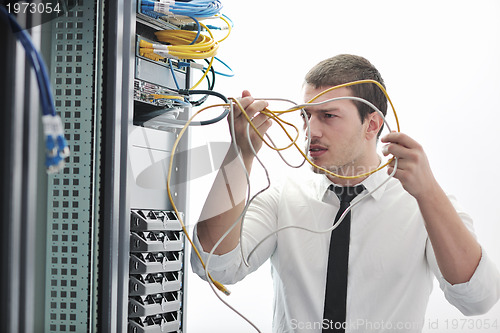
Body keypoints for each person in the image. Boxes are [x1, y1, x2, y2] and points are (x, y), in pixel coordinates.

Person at [190, 54, 500, 332]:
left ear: (371, 124)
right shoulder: (283, 196)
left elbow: (478, 300)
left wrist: (428, 193)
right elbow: (214, 267)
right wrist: (239, 154)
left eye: (328, 115)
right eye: (305, 115)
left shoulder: (423, 204)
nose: (311, 130)